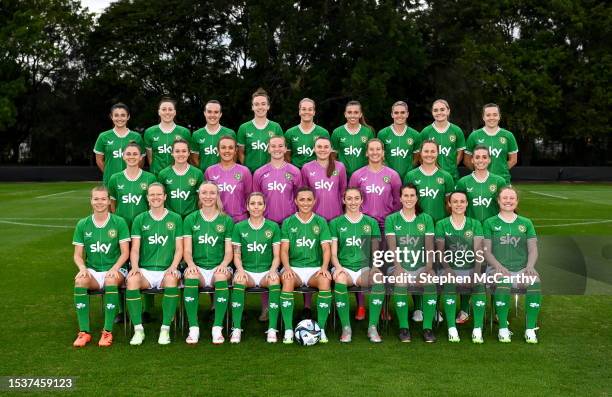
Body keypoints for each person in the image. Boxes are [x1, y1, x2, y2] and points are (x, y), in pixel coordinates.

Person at [71, 186, 130, 347]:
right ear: (91, 201)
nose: (100, 202)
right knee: (80, 282)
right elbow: (77, 255)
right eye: (96, 199)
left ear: (109, 201)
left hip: (117, 269)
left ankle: (107, 331)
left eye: (103, 199)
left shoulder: (119, 222)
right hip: (93, 270)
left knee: (111, 281)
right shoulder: (83, 224)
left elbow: (125, 253)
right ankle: (84, 332)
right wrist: (82, 268)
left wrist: (115, 268)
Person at [126, 183, 184, 345]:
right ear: (147, 198)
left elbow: (179, 249)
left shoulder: (175, 218)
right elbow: (135, 248)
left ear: (165, 197)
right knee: (132, 281)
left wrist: (173, 267)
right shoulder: (140, 219)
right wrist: (135, 267)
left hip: (167, 269)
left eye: (159, 194)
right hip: (145, 270)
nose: (155, 197)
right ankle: (138, 330)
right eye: (152, 195)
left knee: (172, 280)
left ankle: (165, 329)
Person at [483, 186, 541, 343]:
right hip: (495, 270)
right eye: (505, 198)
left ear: (517, 201)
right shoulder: (489, 223)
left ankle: (530, 330)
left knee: (534, 281)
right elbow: (486, 251)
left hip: (521, 269)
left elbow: (533, 248)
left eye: (511, 198)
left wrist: (529, 266)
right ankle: (502, 328)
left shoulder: (526, 223)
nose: (508, 201)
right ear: (498, 201)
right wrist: (497, 266)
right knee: (503, 281)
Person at [182, 182, 234, 344]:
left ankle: (217, 328)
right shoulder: (191, 219)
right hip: (197, 267)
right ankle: (193, 328)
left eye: (212, 193)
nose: (208, 196)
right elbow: (187, 250)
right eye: (204, 193)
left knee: (220, 277)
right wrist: (190, 265)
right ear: (199, 195)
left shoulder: (226, 220)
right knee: (190, 277)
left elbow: (228, 251)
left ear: (217, 195)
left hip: (219, 266)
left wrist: (224, 264)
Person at [329, 187, 383, 342]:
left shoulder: (371, 222)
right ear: (343, 200)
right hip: (343, 266)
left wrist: (375, 267)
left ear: (361, 200)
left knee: (377, 279)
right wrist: (338, 268)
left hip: (363, 268)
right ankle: (346, 327)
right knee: (339, 279)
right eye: (349, 198)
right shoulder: (336, 223)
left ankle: (372, 327)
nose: (353, 202)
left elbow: (375, 251)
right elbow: (333, 253)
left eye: (356, 198)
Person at [385, 184, 437, 342]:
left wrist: (428, 269)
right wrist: (399, 269)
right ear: (400, 198)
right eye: (405, 196)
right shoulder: (392, 219)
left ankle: (427, 328)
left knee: (431, 281)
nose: (409, 199)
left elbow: (429, 248)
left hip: (421, 266)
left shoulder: (426, 219)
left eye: (412, 195)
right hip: (398, 266)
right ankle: (404, 328)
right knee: (400, 282)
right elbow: (392, 248)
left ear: (417, 198)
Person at [279, 187, 332, 344]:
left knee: (325, 281)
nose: (305, 203)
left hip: (314, 268)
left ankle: (320, 329)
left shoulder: (320, 221)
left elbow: (326, 249)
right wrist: (287, 268)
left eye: (309, 199)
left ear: (314, 201)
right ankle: (288, 329)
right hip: (294, 267)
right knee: (287, 281)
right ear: (296, 201)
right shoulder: (288, 222)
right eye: (302, 199)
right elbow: (284, 251)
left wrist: (323, 268)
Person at [230, 192, 282, 343]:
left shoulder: (273, 227)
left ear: (265, 207)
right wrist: (240, 270)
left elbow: (277, 255)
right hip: (247, 272)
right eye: (252, 203)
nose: (256, 207)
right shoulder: (239, 227)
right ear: (247, 206)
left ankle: (272, 329)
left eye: (260, 203)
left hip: (267, 271)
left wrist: (272, 271)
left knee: (274, 281)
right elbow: (237, 255)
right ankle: (237, 328)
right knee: (238, 281)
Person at [435, 191, 485, 343]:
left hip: (470, 268)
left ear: (467, 203)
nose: (458, 204)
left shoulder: (475, 224)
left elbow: (478, 251)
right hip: (448, 268)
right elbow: (440, 251)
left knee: (479, 284)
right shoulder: (442, 224)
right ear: (449, 204)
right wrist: (448, 270)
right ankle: (452, 328)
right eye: (455, 201)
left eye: (462, 201)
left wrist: (476, 272)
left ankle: (478, 329)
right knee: (449, 282)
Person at [253, 136, 303, 224]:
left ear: (285, 149)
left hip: (289, 222)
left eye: (280, 146)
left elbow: (299, 198)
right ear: (268, 149)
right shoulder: (259, 173)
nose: (277, 149)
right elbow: (256, 199)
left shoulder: (295, 171)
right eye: (273, 146)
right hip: (266, 223)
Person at [464, 103, 518, 184]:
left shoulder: (508, 135)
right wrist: (480, 170)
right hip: (480, 181)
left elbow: (513, 160)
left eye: (495, 115)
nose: (491, 118)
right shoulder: (474, 136)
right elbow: (467, 160)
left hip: (503, 181)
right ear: (483, 117)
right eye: (488, 115)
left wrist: (501, 170)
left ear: (499, 116)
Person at [403, 139, 454, 223]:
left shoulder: (446, 176)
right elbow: (406, 203)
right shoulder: (410, 176)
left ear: (438, 153)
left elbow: (449, 205)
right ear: (420, 153)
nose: (429, 154)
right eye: (426, 151)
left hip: (439, 224)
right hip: (417, 224)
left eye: (433, 151)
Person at [108, 142, 157, 228]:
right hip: (121, 225)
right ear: (123, 156)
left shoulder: (150, 178)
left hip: (144, 224)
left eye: (135, 154)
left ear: (141, 157)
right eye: (128, 154)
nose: (131, 157)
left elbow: (153, 204)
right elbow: (112, 203)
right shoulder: (115, 178)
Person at [93, 103, 144, 186]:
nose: (119, 118)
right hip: (110, 181)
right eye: (116, 115)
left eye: (123, 115)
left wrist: (133, 173)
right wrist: (109, 173)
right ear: (111, 117)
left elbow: (141, 160)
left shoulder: (136, 137)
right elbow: (99, 160)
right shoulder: (103, 136)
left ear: (128, 117)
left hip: (131, 181)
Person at [205, 136, 253, 222]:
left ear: (235, 151)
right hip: (217, 220)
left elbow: (249, 197)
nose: (227, 151)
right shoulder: (210, 171)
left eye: (230, 148)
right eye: (223, 147)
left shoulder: (244, 171)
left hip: (239, 221)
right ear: (218, 150)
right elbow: (205, 198)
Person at [455, 145, 507, 222]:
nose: (481, 160)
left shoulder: (499, 181)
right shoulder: (463, 182)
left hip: (493, 228)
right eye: (477, 157)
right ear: (472, 160)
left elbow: (505, 207)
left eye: (484, 157)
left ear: (489, 160)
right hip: (471, 227)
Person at [237, 88, 284, 173]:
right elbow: (240, 153)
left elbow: (281, 150)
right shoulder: (244, 128)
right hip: (250, 173)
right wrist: (247, 168)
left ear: (268, 106)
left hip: (271, 172)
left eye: (263, 104)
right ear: (252, 107)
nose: (260, 107)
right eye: (256, 104)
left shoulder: (276, 127)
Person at [419, 99, 466, 182]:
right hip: (431, 176)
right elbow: (420, 154)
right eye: (435, 110)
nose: (439, 113)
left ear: (448, 111)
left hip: (452, 176)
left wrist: (452, 167)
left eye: (442, 109)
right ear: (432, 112)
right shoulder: (426, 131)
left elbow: (460, 153)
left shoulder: (457, 130)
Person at [301, 136, 347, 221]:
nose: (322, 149)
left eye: (326, 147)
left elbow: (343, 193)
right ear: (314, 149)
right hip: (313, 218)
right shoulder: (306, 168)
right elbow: (304, 195)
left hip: (336, 217)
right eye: (319, 147)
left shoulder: (340, 167)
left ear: (331, 149)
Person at [144, 97, 193, 176]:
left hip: (177, 176)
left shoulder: (184, 132)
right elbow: (150, 158)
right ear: (159, 112)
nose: (167, 112)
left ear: (175, 112)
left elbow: (188, 157)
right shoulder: (149, 132)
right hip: (157, 176)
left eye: (170, 109)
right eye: (164, 109)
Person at [158, 138, 204, 218]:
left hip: (191, 217)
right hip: (170, 218)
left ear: (189, 153)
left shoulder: (197, 173)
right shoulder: (163, 174)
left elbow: (201, 199)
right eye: (177, 151)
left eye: (184, 151)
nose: (181, 154)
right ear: (172, 153)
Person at [331, 100, 375, 178]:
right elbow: (333, 155)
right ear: (345, 114)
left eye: (356, 112)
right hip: (343, 175)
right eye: (349, 112)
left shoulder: (368, 132)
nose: (352, 115)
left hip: (364, 175)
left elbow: (373, 154)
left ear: (360, 114)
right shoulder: (337, 132)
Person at [377, 101, 420, 177]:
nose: (399, 115)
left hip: (408, 176)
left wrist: (410, 170)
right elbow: (380, 156)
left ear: (407, 114)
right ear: (392, 115)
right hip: (387, 176)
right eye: (396, 113)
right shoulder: (382, 134)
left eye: (402, 112)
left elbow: (416, 157)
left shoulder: (415, 134)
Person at [191, 100, 236, 172]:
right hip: (205, 178)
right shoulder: (196, 134)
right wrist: (204, 172)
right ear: (204, 113)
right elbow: (194, 159)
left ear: (220, 114)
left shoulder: (230, 133)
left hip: (225, 177)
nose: (212, 115)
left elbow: (234, 156)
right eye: (209, 112)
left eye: (216, 112)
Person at [285, 98, 330, 168]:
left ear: (314, 112)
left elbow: (327, 156)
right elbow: (286, 156)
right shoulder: (289, 133)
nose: (307, 112)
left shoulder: (323, 132)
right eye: (304, 109)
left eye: (310, 109)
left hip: (315, 172)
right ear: (299, 111)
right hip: (296, 172)